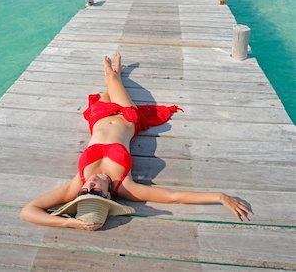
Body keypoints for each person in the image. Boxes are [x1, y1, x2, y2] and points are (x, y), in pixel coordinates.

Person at [20, 52, 252, 231]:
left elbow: (28, 211)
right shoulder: (126, 186)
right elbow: (174, 197)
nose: (89, 185)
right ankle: (115, 72)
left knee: (109, 84)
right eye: (95, 192)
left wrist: (67, 222)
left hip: (99, 115)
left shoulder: (76, 185)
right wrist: (220, 197)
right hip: (126, 115)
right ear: (109, 196)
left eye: (84, 192)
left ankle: (117, 72)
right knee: (110, 77)